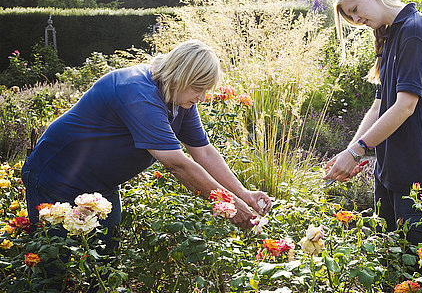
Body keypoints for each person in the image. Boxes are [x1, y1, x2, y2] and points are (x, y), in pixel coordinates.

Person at [21, 40, 272, 239]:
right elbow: (177, 164)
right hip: (56, 178)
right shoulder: (138, 92)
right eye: (199, 89)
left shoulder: (178, 99)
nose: (204, 98)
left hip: (100, 185)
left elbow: (203, 152)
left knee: (102, 259)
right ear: (180, 77)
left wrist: (243, 194)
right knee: (57, 262)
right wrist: (230, 205)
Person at [323, 0, 422, 244]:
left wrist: (358, 150)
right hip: (392, 171)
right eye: (350, 16)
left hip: (421, 174)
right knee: (388, 263)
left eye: (356, 9)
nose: (357, 19)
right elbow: (378, 107)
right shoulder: (391, 35)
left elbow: (404, 107)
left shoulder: (416, 32)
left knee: (417, 272)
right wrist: (351, 152)